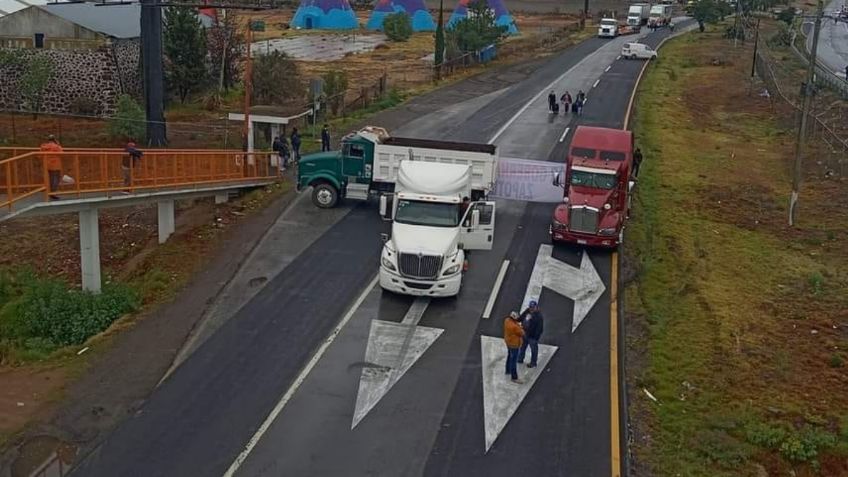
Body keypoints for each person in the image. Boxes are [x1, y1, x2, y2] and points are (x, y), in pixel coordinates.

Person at [518, 301, 544, 368]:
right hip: (525, 333)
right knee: (522, 347)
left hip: (532, 336)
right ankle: (520, 359)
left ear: (536, 307)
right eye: (530, 307)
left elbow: (540, 328)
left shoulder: (539, 316)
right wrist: (517, 319)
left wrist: (535, 337)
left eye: (533, 307)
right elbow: (522, 317)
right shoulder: (527, 311)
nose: (531, 309)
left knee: (534, 350)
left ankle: (533, 362)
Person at [503, 311, 525, 384]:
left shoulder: (507, 320)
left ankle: (508, 370)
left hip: (509, 342)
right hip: (514, 344)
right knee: (513, 361)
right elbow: (522, 333)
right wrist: (520, 327)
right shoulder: (515, 326)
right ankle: (514, 377)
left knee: (509, 356)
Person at [40, 134, 63, 200]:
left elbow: (40, 155)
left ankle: (50, 192)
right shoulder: (56, 146)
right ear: (54, 139)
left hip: (47, 164)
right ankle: (53, 192)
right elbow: (61, 152)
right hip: (55, 165)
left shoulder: (44, 146)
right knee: (56, 178)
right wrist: (58, 144)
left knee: (50, 179)